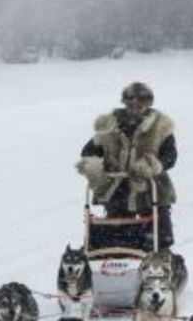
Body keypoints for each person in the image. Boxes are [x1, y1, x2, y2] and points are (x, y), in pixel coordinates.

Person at [75, 81, 177, 249]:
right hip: (117, 185)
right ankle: (115, 257)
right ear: (124, 102)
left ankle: (159, 259)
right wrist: (94, 168)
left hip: (151, 185)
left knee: (160, 234)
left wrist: (153, 166)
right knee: (116, 232)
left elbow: (170, 156)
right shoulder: (109, 126)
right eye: (131, 102)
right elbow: (89, 151)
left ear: (149, 103)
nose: (135, 107)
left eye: (141, 102)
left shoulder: (161, 126)